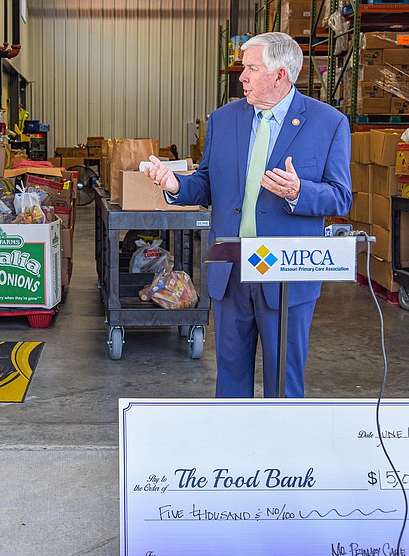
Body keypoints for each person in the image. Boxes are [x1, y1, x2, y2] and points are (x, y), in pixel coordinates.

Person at [146, 32, 352, 399]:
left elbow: (341, 197)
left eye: (251, 69)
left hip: (287, 274)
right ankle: (233, 449)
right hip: (232, 269)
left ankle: (281, 453)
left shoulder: (328, 123)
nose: (241, 77)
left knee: (284, 382)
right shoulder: (224, 120)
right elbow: (208, 183)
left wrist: (300, 192)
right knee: (230, 378)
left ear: (280, 76)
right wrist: (175, 185)